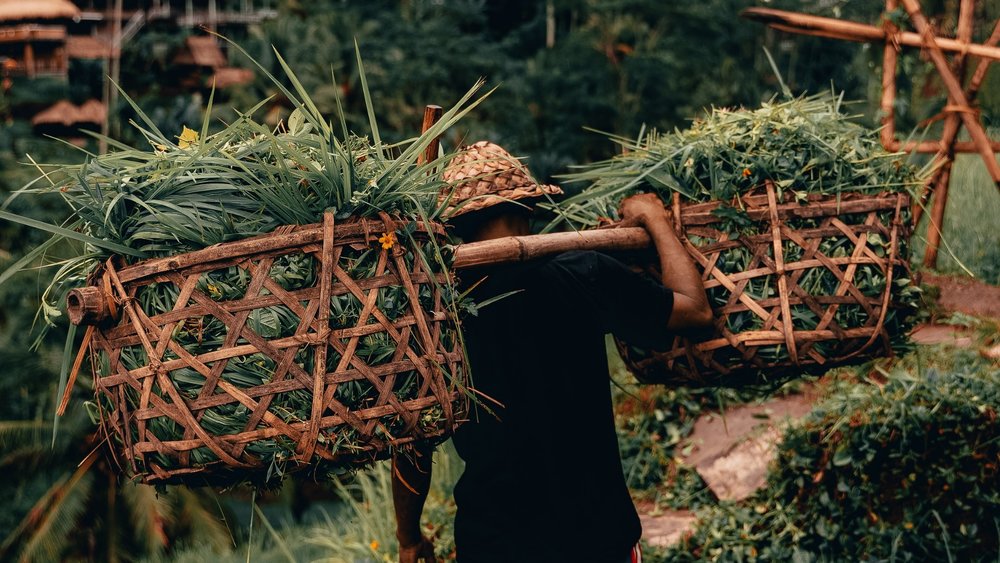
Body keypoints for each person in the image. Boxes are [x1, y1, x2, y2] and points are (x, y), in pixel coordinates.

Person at [392, 142, 712, 563]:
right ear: (527, 209)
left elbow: (413, 445)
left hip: (495, 545)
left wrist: (409, 539)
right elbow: (695, 309)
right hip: (598, 539)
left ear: (456, 226)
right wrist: (655, 219)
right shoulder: (585, 273)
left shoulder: (437, 312)